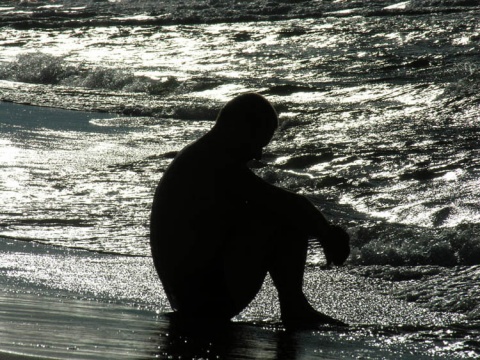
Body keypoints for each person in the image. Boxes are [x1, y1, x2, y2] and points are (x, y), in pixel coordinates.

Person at [150, 93, 350, 329]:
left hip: (192, 294)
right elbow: (288, 204)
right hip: (203, 301)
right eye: (258, 143)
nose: (258, 155)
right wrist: (326, 235)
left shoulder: (199, 155)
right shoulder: (213, 161)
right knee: (283, 219)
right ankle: (294, 307)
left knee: (272, 212)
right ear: (242, 129)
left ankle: (295, 306)